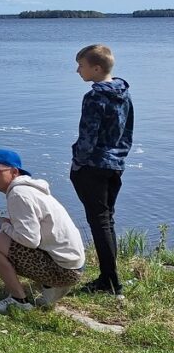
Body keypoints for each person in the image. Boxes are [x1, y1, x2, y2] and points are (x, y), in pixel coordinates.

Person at [0, 149, 85, 312]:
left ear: (14, 172)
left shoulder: (18, 194)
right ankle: (49, 286)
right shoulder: (28, 189)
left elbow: (29, 240)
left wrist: (4, 227)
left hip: (63, 271)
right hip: (71, 266)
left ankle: (19, 301)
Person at [71, 44, 134, 296]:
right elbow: (128, 131)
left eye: (81, 66)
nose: (77, 70)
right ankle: (110, 277)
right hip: (115, 164)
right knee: (107, 220)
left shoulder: (95, 97)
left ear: (96, 68)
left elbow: (88, 136)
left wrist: (78, 162)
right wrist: (120, 156)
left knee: (99, 222)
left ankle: (110, 281)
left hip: (93, 165)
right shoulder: (124, 92)